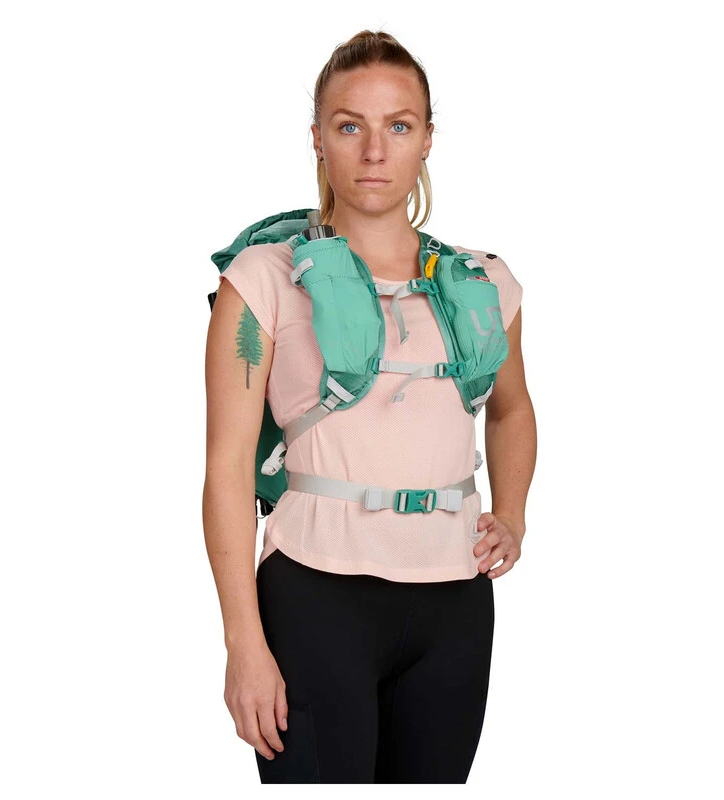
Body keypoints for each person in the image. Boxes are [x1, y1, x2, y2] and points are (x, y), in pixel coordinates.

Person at [203, 29, 537, 784]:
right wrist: (243, 645)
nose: (375, 151)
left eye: (399, 126)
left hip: (454, 601)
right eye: (350, 125)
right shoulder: (261, 280)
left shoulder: (484, 283)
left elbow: (512, 409)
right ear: (318, 138)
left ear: (427, 139)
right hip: (315, 594)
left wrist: (512, 515)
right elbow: (225, 470)